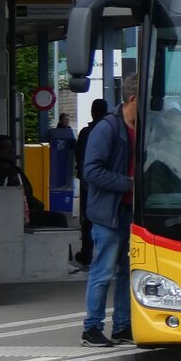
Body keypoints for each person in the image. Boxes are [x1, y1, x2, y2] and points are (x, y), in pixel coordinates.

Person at [80, 76, 138, 348]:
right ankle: (91, 328)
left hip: (130, 212)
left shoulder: (139, 126)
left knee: (127, 272)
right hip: (109, 214)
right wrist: (127, 184)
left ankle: (122, 326)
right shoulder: (108, 128)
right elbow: (90, 171)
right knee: (103, 272)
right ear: (132, 99)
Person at [0, 134, 68, 228]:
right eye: (6, 148)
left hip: (17, 210)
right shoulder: (1, 170)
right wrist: (35, 205)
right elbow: (17, 194)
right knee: (59, 219)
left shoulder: (6, 167)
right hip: (14, 213)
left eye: (11, 147)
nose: (11, 151)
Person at [73, 99, 109, 268]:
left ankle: (87, 253)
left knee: (88, 219)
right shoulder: (111, 131)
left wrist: (82, 177)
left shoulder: (86, 133)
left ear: (93, 112)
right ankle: (107, 254)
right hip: (108, 182)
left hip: (89, 182)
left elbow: (79, 157)